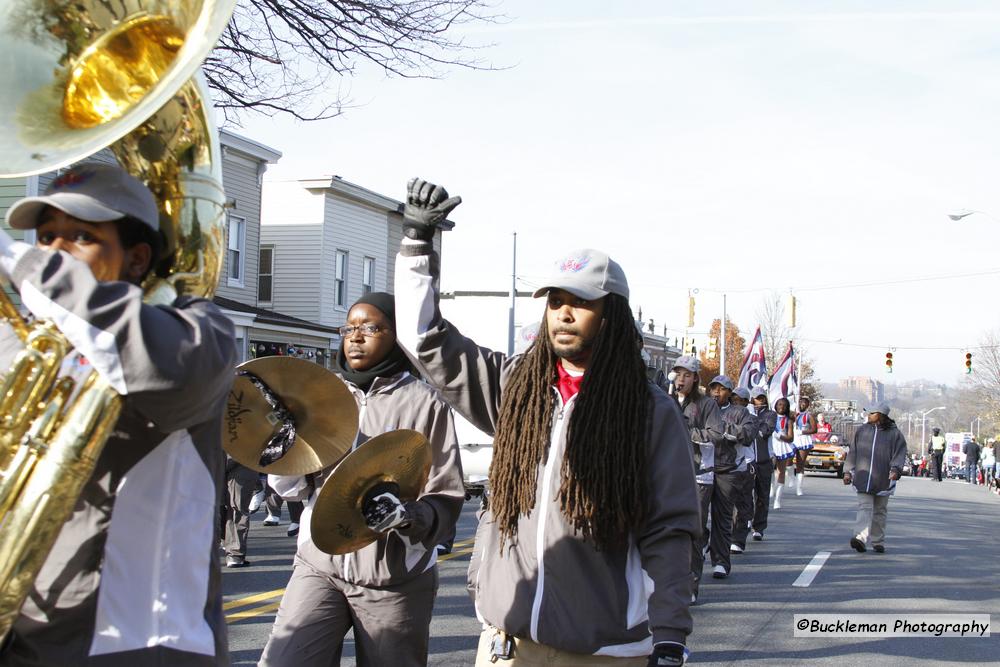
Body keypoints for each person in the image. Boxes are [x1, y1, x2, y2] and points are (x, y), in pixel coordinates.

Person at [394, 178, 700, 667]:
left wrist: (668, 636)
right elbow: (423, 340)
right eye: (555, 301)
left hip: (606, 651)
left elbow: (670, 532)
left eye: (580, 302)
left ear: (612, 314)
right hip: (507, 642)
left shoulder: (649, 412)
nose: (563, 313)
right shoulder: (518, 386)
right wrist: (416, 243)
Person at [0, 163, 236, 665]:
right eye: (45, 237)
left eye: (81, 236)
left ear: (136, 258)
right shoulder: (26, 341)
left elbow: (157, 367)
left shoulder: (199, 330)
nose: (55, 253)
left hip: (140, 643)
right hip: (30, 631)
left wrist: (18, 261)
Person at [259, 292, 464, 667]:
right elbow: (292, 488)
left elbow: (445, 493)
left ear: (396, 335)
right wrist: (281, 451)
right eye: (349, 328)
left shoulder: (426, 403)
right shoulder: (321, 396)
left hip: (393, 576)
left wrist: (408, 516)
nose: (355, 336)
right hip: (319, 565)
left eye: (371, 327)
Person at [671, 357, 724, 603]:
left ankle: (691, 585)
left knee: (694, 531)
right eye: (678, 374)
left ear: (695, 378)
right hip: (670, 474)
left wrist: (688, 432)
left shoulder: (706, 405)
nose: (681, 379)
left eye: (686, 375)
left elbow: (716, 435)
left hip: (699, 475)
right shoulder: (666, 399)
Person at [706, 376, 754, 579]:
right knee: (696, 516)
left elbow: (749, 434)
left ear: (730, 393)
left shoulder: (740, 412)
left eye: (722, 389)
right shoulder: (701, 407)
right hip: (702, 469)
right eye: (713, 388)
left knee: (722, 517)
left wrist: (726, 431)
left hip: (728, 470)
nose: (717, 392)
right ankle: (701, 545)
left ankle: (721, 561)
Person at [844, 402, 907, 554]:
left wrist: (895, 470)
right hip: (863, 477)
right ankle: (859, 538)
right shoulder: (862, 431)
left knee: (880, 510)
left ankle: (878, 541)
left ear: (881, 415)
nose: (868, 415)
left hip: (883, 478)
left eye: (872, 413)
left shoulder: (894, 434)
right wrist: (847, 471)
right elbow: (853, 452)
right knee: (864, 507)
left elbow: (899, 454)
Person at [729, 387, 757, 554]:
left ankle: (738, 539)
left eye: (739, 400)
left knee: (743, 503)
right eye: (734, 399)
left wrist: (729, 432)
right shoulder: (722, 413)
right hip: (726, 465)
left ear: (746, 402)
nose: (735, 402)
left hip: (746, 463)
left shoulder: (751, 419)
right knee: (726, 505)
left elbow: (746, 438)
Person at [748, 388, 776, 540]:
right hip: (748, 461)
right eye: (755, 398)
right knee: (745, 496)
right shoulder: (747, 412)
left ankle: (759, 527)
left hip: (764, 461)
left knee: (762, 496)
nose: (758, 401)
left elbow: (765, 431)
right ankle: (745, 521)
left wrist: (752, 419)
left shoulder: (770, 414)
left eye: (761, 398)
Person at [224, 457, 260, 567]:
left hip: (241, 463)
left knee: (237, 510)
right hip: (218, 463)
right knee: (220, 509)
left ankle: (235, 553)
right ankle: (228, 546)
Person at [771, 397, 796, 509]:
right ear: (776, 406)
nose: (781, 407)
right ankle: (771, 488)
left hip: (782, 446)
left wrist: (780, 436)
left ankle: (778, 499)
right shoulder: (770, 417)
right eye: (779, 404)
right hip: (771, 445)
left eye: (784, 405)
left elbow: (790, 438)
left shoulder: (788, 420)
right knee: (770, 469)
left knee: (781, 472)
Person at [791, 396, 818, 496]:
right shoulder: (794, 414)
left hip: (803, 440)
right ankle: (791, 477)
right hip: (793, 439)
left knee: (800, 463)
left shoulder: (809, 416)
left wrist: (802, 432)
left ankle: (799, 487)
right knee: (788, 459)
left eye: (804, 403)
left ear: (807, 405)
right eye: (800, 402)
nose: (802, 404)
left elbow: (814, 430)